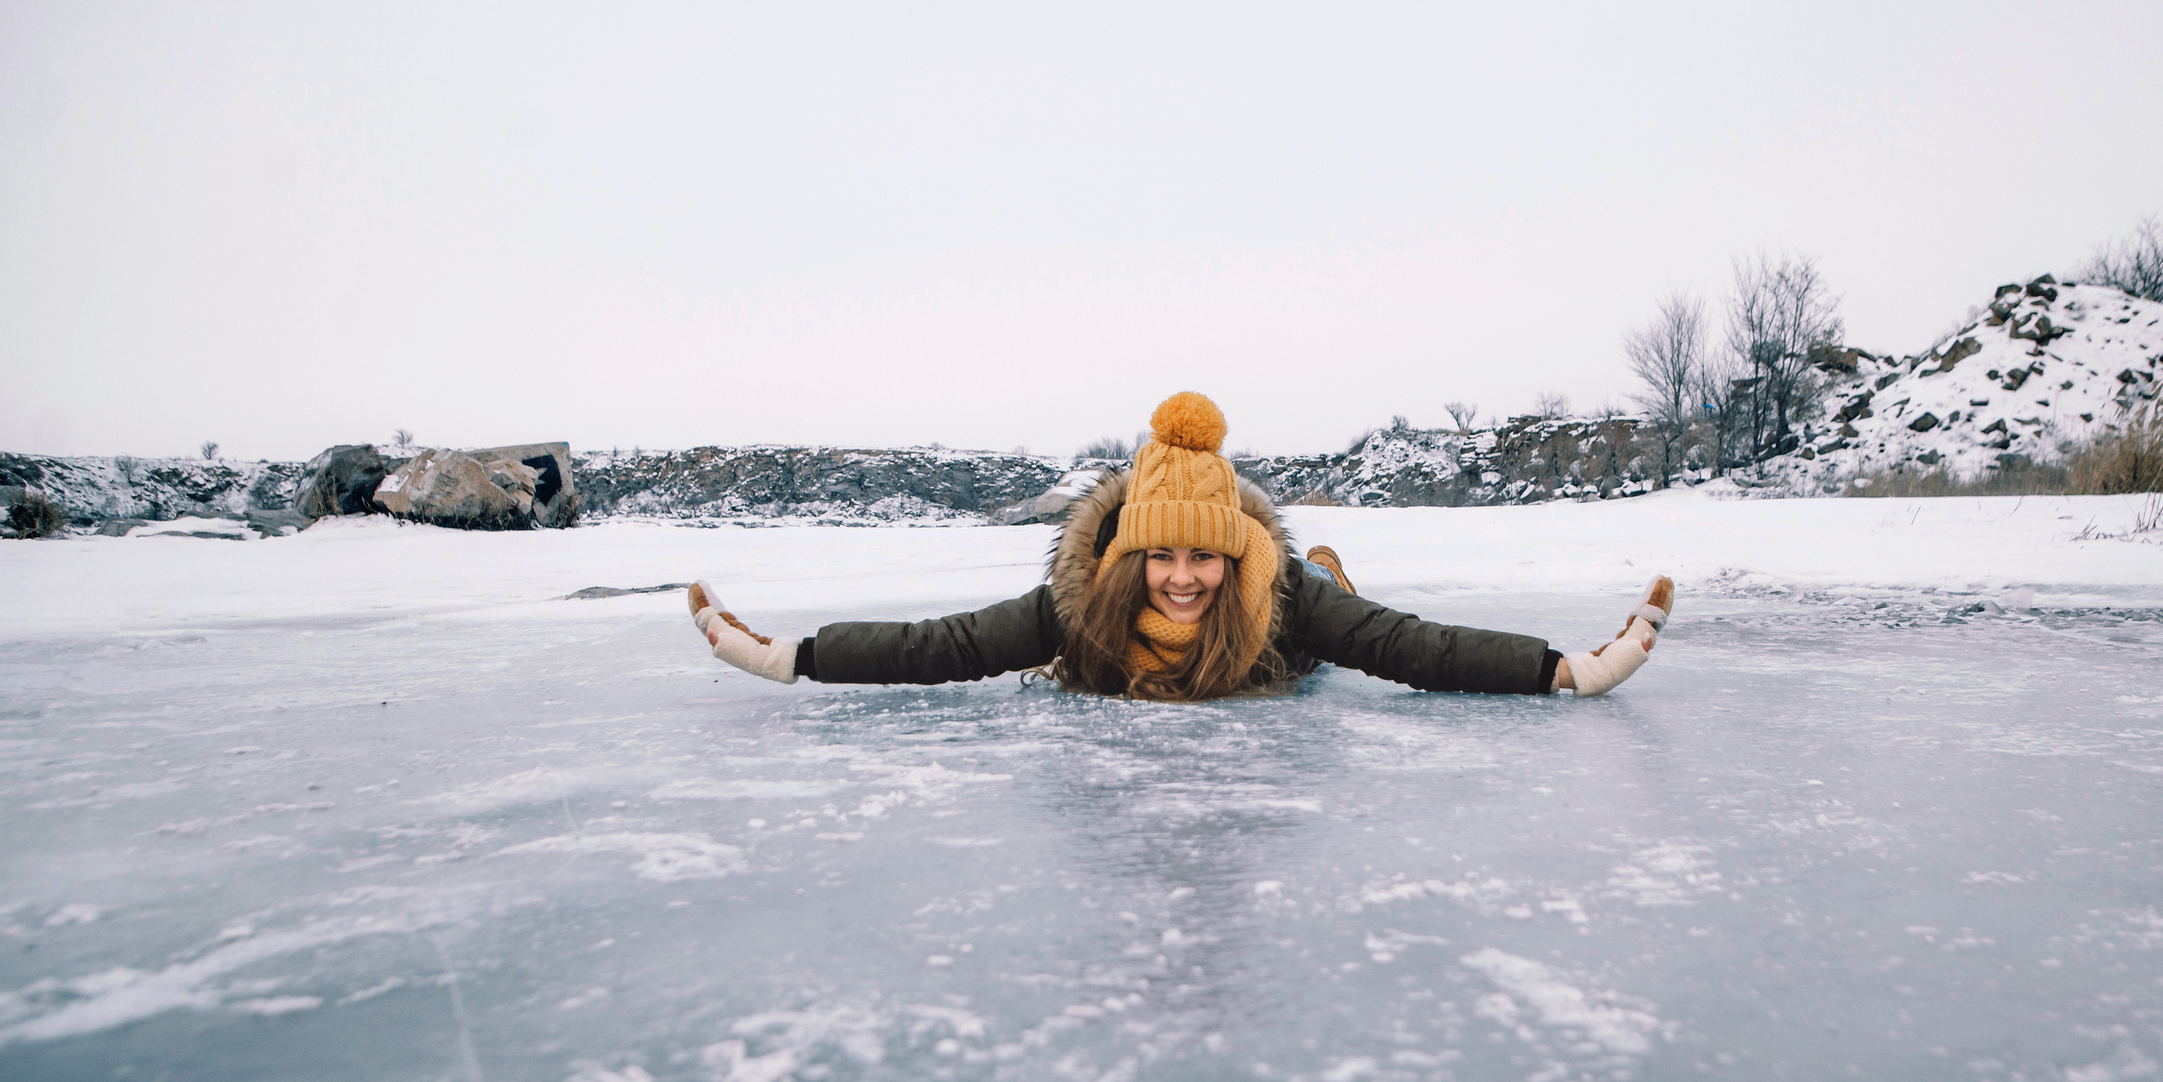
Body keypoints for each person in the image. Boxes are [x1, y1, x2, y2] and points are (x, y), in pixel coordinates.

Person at [690, 391, 1671, 703]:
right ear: (1126, 559)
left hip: (1300, 635)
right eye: (1162, 558)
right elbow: (939, 644)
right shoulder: (1077, 601)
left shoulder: (1276, 590)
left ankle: (1327, 557)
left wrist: (1566, 669)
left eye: (1205, 557)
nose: (1184, 577)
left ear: (1234, 554)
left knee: (1337, 609)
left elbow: (1413, 646)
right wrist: (789, 656)